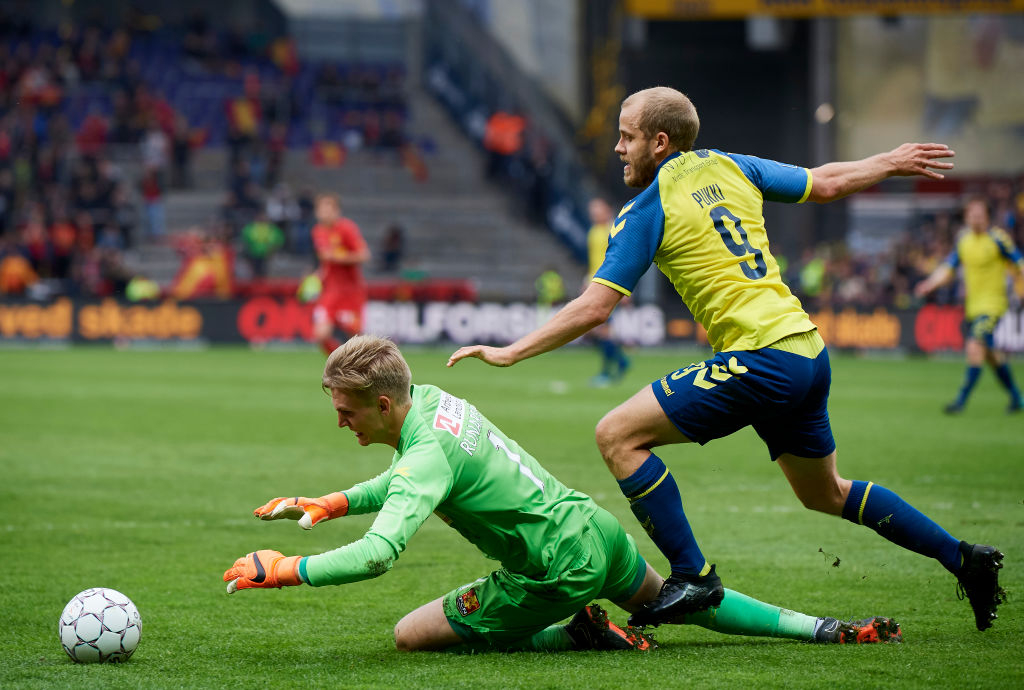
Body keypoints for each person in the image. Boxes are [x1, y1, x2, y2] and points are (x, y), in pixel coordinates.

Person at [447, 86, 1005, 632]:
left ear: (660, 142)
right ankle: (965, 558)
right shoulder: (733, 165)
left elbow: (596, 308)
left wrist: (511, 350)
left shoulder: (647, 206)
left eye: (626, 137)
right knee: (824, 492)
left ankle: (693, 576)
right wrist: (891, 159)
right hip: (806, 350)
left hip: (760, 357)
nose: (618, 148)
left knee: (617, 435)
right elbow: (827, 182)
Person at [224, 336, 902, 652]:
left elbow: (378, 556)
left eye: (346, 410)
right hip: (592, 530)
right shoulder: (434, 403)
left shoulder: (424, 453)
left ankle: (574, 630)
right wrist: (333, 502)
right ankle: (821, 628)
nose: (340, 421)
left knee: (411, 636)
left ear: (379, 402)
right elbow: (408, 480)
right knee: (680, 601)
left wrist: (285, 570)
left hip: (555, 568)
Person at [915, 197, 1024, 413]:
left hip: (993, 305)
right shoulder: (964, 241)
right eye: (970, 213)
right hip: (973, 307)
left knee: (975, 345)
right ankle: (1016, 397)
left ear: (986, 216)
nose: (974, 217)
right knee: (991, 355)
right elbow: (949, 268)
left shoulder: (998, 239)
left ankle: (960, 401)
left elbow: (1019, 263)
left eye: (978, 213)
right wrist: (930, 284)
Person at [310, 193, 370, 356]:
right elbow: (326, 263)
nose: (323, 213)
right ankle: (339, 364)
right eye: (320, 209)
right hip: (330, 291)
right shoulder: (318, 231)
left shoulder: (346, 228)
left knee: (357, 337)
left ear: (336, 211)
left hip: (350, 292)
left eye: (327, 209)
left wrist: (338, 257)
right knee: (320, 334)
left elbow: (364, 254)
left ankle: (371, 368)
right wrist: (316, 276)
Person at [586, 198, 630, 386]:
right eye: (592, 210)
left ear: (607, 210)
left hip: (611, 286)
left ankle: (610, 369)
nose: (594, 213)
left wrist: (627, 288)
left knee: (601, 329)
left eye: (598, 209)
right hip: (596, 285)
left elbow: (622, 261)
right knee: (600, 330)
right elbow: (595, 262)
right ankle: (619, 363)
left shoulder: (614, 230)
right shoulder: (594, 232)